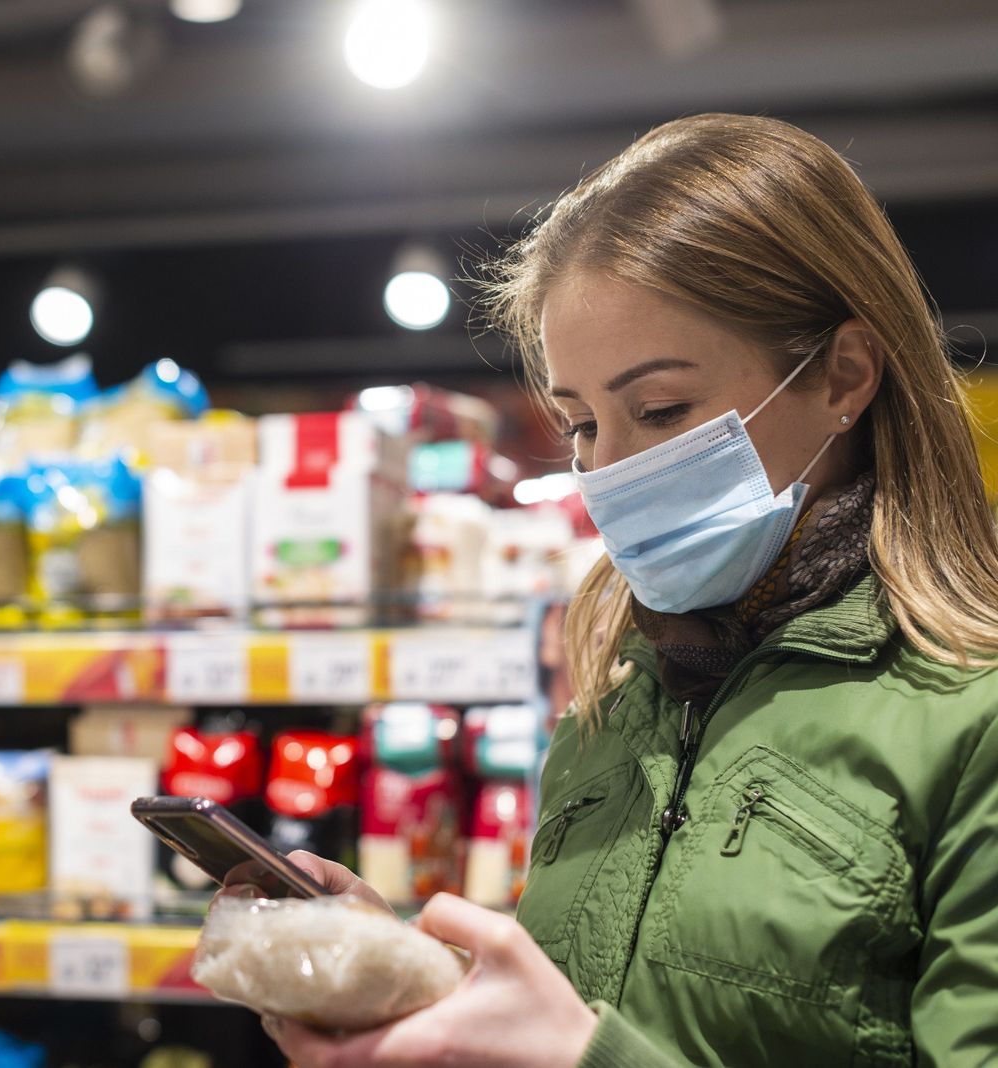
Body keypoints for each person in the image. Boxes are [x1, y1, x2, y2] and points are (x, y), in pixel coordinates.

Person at [255, 113, 998, 1066]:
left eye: (660, 410)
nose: (610, 471)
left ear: (843, 375)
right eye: (580, 425)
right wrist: (413, 985)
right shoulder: (616, 701)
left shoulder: (969, 714)